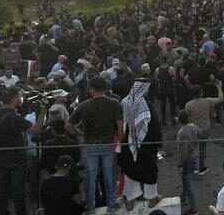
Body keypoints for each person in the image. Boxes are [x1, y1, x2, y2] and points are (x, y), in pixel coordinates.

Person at [67, 76, 123, 213]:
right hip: (108, 145)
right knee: (109, 176)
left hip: (90, 145)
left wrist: (79, 134)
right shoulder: (115, 104)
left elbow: (68, 125)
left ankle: (91, 208)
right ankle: (111, 206)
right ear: (105, 88)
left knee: (91, 179)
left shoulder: (84, 105)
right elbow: (120, 127)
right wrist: (118, 142)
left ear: (91, 89)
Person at [0, 86, 41, 215]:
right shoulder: (15, 118)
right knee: (18, 191)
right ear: (15, 99)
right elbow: (35, 130)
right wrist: (42, 112)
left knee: (1, 191)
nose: (21, 99)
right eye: (20, 96)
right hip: (16, 159)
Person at [119, 79, 163, 210]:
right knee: (149, 171)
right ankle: (152, 198)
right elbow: (154, 124)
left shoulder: (124, 102)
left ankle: (130, 200)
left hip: (127, 143)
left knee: (130, 171)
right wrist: (158, 142)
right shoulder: (146, 104)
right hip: (146, 145)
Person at [185, 80, 224, 175]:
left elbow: (187, 118)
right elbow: (220, 98)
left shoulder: (188, 105)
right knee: (203, 148)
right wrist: (218, 87)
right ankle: (201, 167)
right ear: (201, 92)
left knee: (193, 148)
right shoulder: (208, 101)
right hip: (205, 129)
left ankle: (193, 167)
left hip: (193, 129)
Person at [177, 109, 200, 214]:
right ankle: (183, 196)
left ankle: (193, 208)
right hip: (195, 157)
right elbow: (201, 135)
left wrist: (181, 163)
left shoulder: (182, 132)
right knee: (185, 179)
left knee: (188, 182)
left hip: (188, 160)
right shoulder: (194, 127)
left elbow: (184, 151)